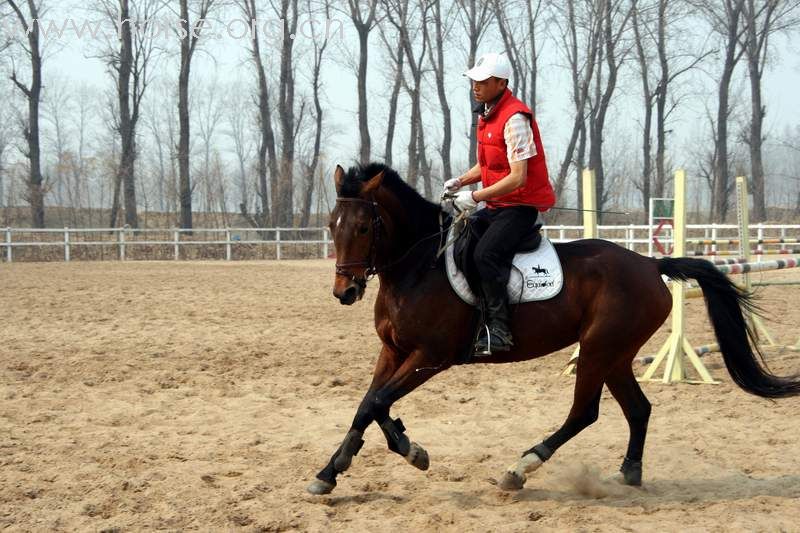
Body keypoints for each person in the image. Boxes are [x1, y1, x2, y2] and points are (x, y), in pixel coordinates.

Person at [444, 52, 556, 355]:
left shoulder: (515, 119)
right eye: (474, 81)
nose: (475, 86)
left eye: (482, 81)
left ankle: (500, 329)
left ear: (501, 82)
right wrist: (460, 182)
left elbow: (518, 177)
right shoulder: (488, 113)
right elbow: (490, 165)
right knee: (462, 245)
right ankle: (479, 317)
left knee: (485, 254)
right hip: (497, 206)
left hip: (519, 208)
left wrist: (476, 196)